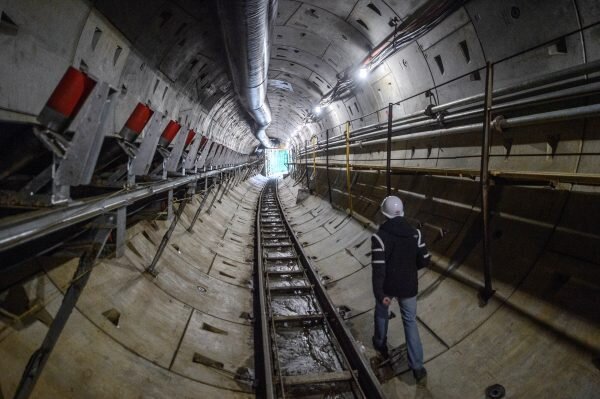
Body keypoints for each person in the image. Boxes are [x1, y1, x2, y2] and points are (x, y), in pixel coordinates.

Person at [371, 195, 431, 382]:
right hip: (408, 285)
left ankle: (380, 343)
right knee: (410, 322)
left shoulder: (379, 238)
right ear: (402, 212)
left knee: (382, 312)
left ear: (385, 214)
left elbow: (379, 270)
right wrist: (409, 269)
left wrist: (380, 294)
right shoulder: (416, 234)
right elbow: (424, 260)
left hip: (388, 285)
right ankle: (418, 367)